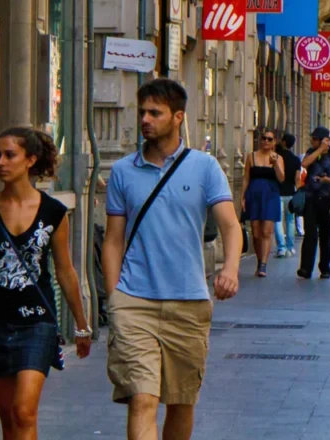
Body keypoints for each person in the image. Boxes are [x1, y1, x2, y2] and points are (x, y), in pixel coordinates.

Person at [101, 78, 241, 440]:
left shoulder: (205, 167)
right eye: (142, 112)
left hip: (189, 301)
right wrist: (114, 297)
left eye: (155, 113)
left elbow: (229, 225)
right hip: (134, 301)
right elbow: (113, 240)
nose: (145, 119)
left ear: (178, 117)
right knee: (142, 399)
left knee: (181, 402)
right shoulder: (122, 172)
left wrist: (230, 268)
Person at [0, 128, 93, 440]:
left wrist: (81, 324)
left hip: (36, 322)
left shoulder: (53, 212)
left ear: (30, 160)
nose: (0, 162)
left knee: (24, 412)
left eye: (10, 155)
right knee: (9, 420)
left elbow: (65, 271)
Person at [297, 127, 330, 280]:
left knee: (325, 236)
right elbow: (304, 164)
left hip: (326, 199)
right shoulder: (312, 152)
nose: (312, 141)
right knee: (309, 235)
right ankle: (305, 268)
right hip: (310, 198)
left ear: (324, 139)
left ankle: (325, 268)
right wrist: (319, 150)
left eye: (315, 139)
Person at [242, 130, 285, 277]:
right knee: (255, 232)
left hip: (271, 195)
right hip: (254, 195)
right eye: (264, 138)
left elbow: (281, 178)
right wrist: (242, 197)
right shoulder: (251, 157)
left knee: (266, 231)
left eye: (269, 139)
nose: (266, 141)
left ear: (274, 142)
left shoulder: (278, 158)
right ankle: (259, 259)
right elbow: (246, 177)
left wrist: (275, 165)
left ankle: (263, 265)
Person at [275, 133, 303, 259]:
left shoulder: (277, 157)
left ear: (284, 142)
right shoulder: (296, 159)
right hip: (290, 193)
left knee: (278, 220)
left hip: (278, 192)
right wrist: (298, 191)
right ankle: (290, 247)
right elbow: (297, 178)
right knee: (290, 221)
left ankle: (281, 247)